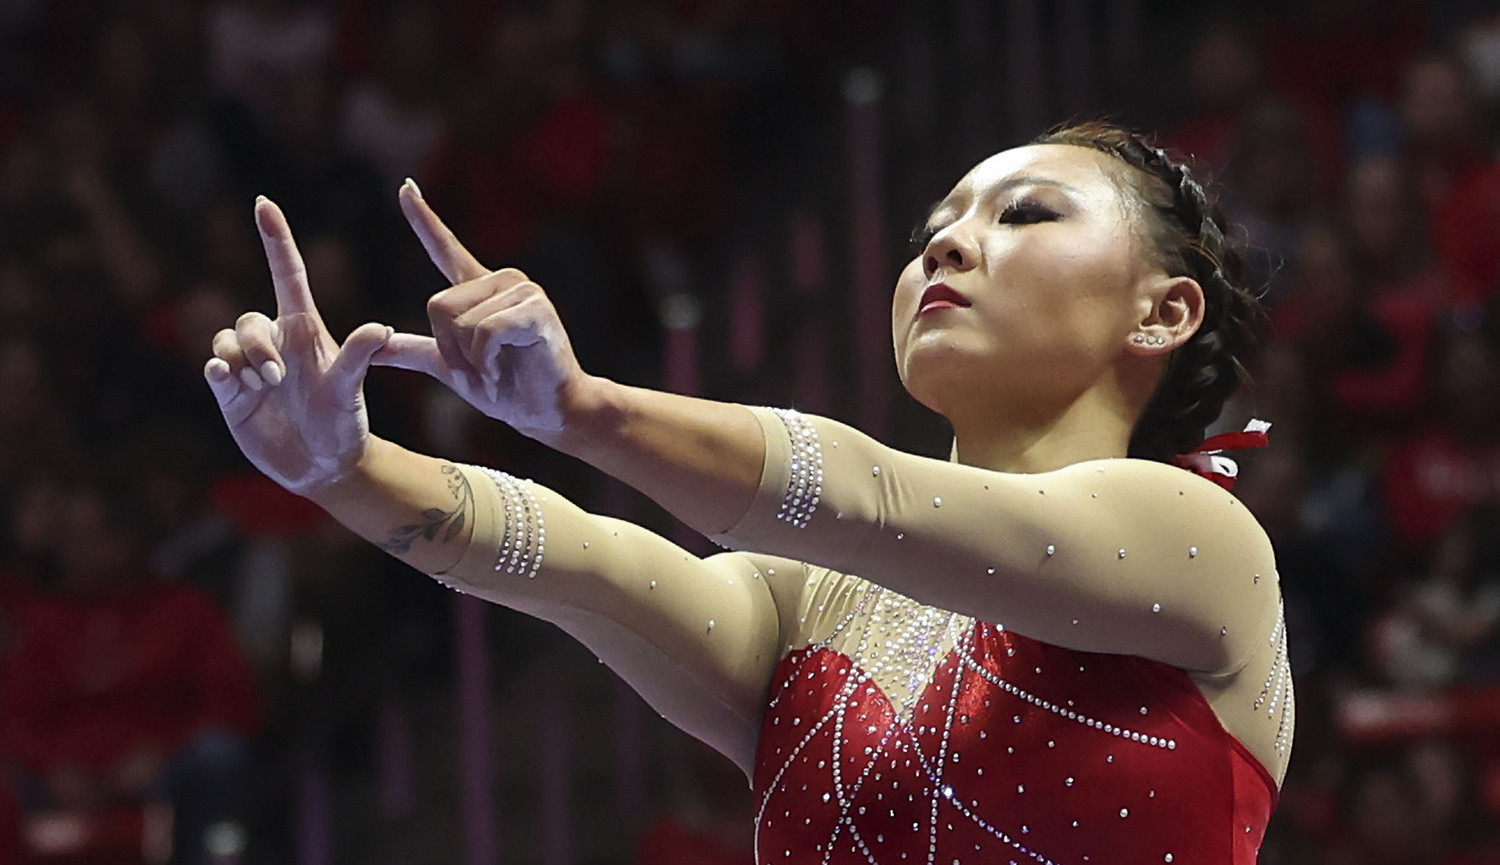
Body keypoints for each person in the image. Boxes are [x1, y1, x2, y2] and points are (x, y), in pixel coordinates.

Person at [205, 122, 1290, 863]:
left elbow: (861, 499)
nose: (948, 242)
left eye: (1027, 213)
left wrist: (585, 410)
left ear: (1163, 312)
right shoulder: (808, 606)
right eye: (931, 230)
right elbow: (573, 561)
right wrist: (342, 468)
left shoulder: (1197, 538)